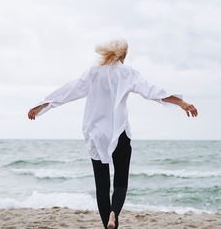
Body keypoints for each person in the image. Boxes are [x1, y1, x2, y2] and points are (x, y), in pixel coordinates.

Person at [28, 38, 198, 229]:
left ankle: (109, 225)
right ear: (123, 55)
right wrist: (181, 103)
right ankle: (113, 214)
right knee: (120, 183)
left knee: (102, 188)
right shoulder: (128, 73)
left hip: (96, 135)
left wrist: (41, 106)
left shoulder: (92, 73)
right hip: (120, 133)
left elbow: (68, 91)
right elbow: (152, 91)